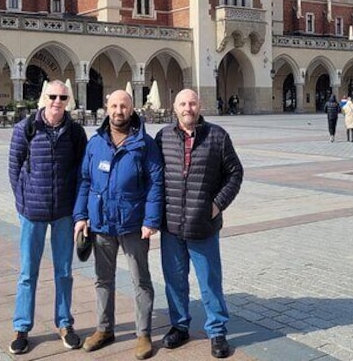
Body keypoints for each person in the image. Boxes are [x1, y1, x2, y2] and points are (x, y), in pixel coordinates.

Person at [73, 90, 163, 360]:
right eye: (114, 106)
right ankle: (104, 329)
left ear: (132, 109)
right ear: (106, 108)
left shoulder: (145, 144)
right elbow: (85, 181)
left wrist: (151, 220)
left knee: (140, 280)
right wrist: (80, 216)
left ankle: (143, 333)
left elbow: (155, 184)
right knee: (103, 279)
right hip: (101, 223)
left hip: (134, 224)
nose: (118, 111)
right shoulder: (95, 143)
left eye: (124, 106)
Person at [154, 89, 243, 359]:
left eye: (192, 103)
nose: (188, 108)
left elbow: (235, 173)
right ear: (174, 107)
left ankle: (217, 331)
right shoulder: (163, 137)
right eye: (183, 103)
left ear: (199, 105)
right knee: (174, 280)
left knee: (209, 281)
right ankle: (179, 326)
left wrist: (217, 205)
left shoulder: (217, 136)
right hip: (171, 225)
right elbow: (155, 177)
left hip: (203, 224)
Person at [8, 80, 87, 355]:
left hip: (64, 212)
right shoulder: (26, 128)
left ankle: (65, 324)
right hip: (33, 213)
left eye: (62, 97)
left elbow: (82, 172)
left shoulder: (75, 132)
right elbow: (14, 167)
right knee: (28, 272)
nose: (57, 101)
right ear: (43, 98)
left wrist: (80, 210)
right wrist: (23, 203)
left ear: (68, 101)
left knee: (64, 271)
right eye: (52, 96)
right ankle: (22, 327)